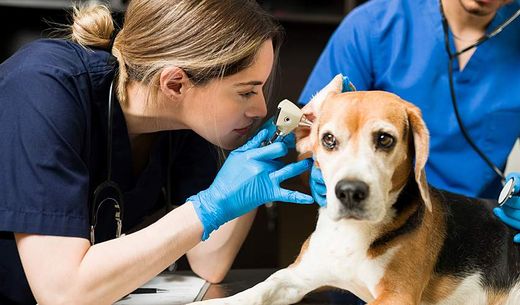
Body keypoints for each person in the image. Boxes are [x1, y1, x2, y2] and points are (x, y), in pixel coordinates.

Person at [0, 1, 317, 304]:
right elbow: (63, 293)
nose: (260, 108)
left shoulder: (182, 120)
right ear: (175, 84)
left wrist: (253, 170)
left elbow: (210, 260)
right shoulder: (42, 89)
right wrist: (208, 206)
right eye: (246, 91)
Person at [301, 0, 520, 235]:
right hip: (377, 219)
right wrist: (314, 166)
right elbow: (307, 134)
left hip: (478, 226)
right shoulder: (373, 26)